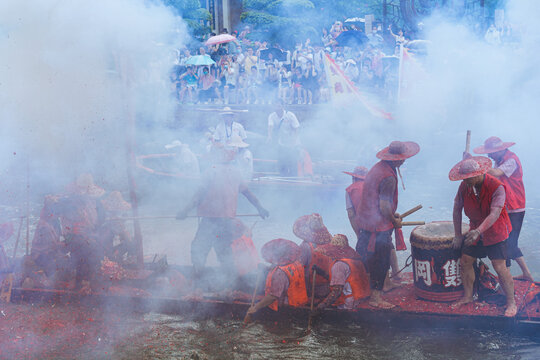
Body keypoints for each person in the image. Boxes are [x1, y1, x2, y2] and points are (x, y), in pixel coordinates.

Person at [176, 145, 269, 290]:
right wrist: (260, 208)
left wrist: (184, 211)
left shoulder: (210, 172)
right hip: (227, 222)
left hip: (210, 222)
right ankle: (230, 285)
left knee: (198, 249)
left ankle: (198, 281)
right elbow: (248, 193)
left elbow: (197, 197)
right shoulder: (236, 172)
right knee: (225, 254)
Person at [355, 141, 420, 308]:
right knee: (380, 261)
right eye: (403, 158)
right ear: (397, 159)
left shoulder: (378, 167)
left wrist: (392, 215)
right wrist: (393, 220)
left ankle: (381, 286)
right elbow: (384, 206)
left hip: (367, 221)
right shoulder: (388, 177)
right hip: (377, 226)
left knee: (374, 259)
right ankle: (375, 298)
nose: (404, 161)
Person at [449, 156, 517, 317]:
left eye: (469, 178)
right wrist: (458, 235)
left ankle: (511, 302)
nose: (466, 182)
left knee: (500, 266)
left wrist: (479, 231)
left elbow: (495, 213)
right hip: (475, 229)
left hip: (496, 230)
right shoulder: (465, 186)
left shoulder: (497, 186)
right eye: (464, 179)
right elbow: (457, 209)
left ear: (479, 174)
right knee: (465, 260)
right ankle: (467, 296)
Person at [472, 136, 532, 281]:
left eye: (491, 152)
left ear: (500, 150)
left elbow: (495, 173)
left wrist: (474, 166)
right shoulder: (500, 160)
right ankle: (526, 274)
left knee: (507, 243)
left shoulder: (511, 160)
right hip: (505, 207)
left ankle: (507, 278)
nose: (489, 155)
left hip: (514, 207)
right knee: (509, 243)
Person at [245, 238, 308, 321]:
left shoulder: (280, 273)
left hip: (285, 308)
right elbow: (278, 267)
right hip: (299, 302)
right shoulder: (296, 262)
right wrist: (265, 268)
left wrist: (255, 308)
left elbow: (273, 296)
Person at [312, 234, 369, 313]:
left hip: (347, 304)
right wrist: (321, 272)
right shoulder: (354, 260)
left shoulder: (339, 265)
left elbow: (337, 292)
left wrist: (319, 307)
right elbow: (344, 278)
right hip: (359, 300)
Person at [294, 214, 332, 298]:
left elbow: (300, 269)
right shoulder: (330, 245)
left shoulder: (306, 246)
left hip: (311, 290)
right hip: (329, 289)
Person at [267, 101, 300, 176]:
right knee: (282, 163)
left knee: (292, 163)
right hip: (281, 143)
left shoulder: (290, 115)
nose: (277, 108)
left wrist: (294, 141)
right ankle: (282, 179)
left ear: (283, 106)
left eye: (279, 106)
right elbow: (270, 126)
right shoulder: (272, 116)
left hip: (292, 142)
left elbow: (296, 128)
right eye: (275, 107)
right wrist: (269, 136)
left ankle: (294, 179)